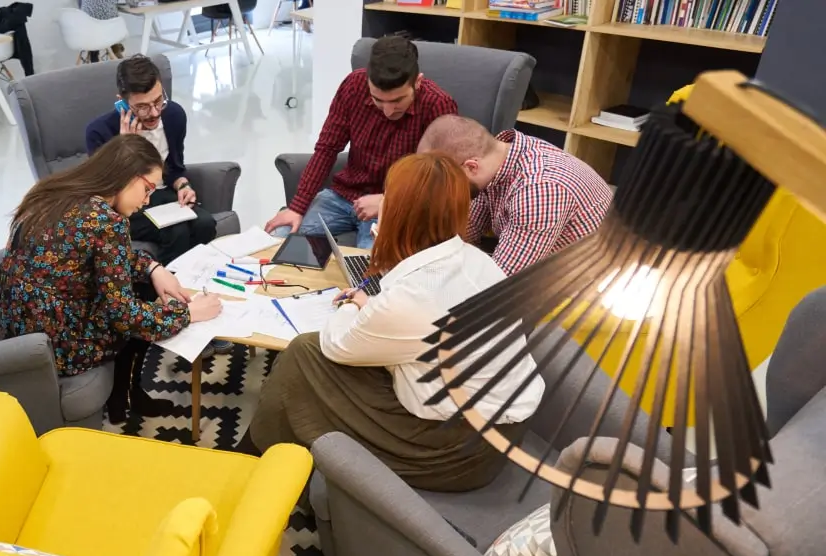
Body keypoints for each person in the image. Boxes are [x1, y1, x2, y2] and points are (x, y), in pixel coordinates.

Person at [239, 153, 544, 491]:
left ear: (400, 218)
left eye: (388, 201)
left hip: (458, 451)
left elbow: (337, 345)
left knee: (304, 354)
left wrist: (351, 307)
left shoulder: (415, 297)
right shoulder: (475, 261)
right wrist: (371, 303)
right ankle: (272, 464)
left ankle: (250, 466)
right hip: (494, 427)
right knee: (311, 362)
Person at [0, 134, 223, 424]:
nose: (148, 200)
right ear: (127, 175)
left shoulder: (54, 192)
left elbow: (98, 259)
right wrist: (189, 313)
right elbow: (124, 316)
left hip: (17, 328)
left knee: (139, 290)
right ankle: (125, 396)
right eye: (147, 188)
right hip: (58, 346)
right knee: (141, 309)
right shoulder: (106, 221)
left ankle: (123, 396)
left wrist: (153, 267)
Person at [263, 35, 458, 250]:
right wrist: (297, 207)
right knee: (279, 240)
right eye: (378, 100)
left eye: (397, 101)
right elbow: (327, 148)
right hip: (343, 196)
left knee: (370, 270)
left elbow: (440, 181)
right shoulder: (353, 86)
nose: (388, 111)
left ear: (418, 82)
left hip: (395, 207)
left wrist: (388, 200)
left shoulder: (438, 105)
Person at [418, 115, 613, 275]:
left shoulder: (538, 191)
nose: (442, 189)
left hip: (585, 287)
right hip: (540, 267)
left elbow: (499, 283)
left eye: (443, 178)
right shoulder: (496, 160)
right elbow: (462, 234)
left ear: (471, 166)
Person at [86, 55, 218, 266]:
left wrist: (183, 185)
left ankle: (199, 279)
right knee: (177, 231)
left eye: (158, 101)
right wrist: (127, 147)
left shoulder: (174, 115)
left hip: (163, 195)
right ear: (122, 101)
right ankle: (164, 291)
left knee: (205, 223)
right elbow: (107, 193)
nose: (154, 112)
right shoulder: (99, 132)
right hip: (126, 205)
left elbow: (175, 169)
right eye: (143, 107)